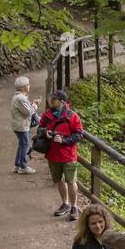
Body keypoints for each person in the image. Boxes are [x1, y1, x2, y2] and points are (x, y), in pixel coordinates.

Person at [38, 90, 83, 220]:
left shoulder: (72, 116)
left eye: (54, 99)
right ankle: (65, 204)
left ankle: (74, 206)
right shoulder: (47, 115)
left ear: (62, 101)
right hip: (52, 154)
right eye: (51, 98)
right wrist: (45, 132)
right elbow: (40, 128)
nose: (51, 100)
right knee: (58, 181)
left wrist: (64, 140)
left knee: (71, 181)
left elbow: (79, 134)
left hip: (68, 155)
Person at [9, 76, 40, 175]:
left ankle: (18, 165)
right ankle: (23, 166)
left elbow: (25, 109)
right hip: (21, 126)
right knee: (25, 145)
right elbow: (28, 112)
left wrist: (32, 103)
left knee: (22, 144)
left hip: (19, 125)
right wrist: (35, 105)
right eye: (28, 84)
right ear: (24, 87)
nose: (29, 86)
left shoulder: (19, 97)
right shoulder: (21, 98)